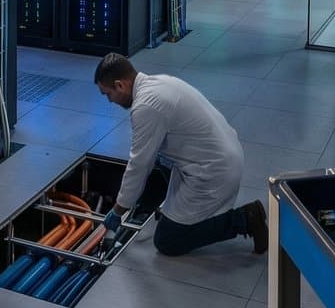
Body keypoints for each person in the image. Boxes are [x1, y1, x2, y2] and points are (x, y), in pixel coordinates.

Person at [94, 55, 264, 256]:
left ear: (120, 85)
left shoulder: (145, 107)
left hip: (214, 171)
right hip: (226, 152)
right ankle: (170, 210)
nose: (109, 101)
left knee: (167, 240)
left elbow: (139, 165)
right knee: (157, 160)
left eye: (108, 94)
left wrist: (118, 210)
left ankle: (243, 220)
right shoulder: (160, 82)